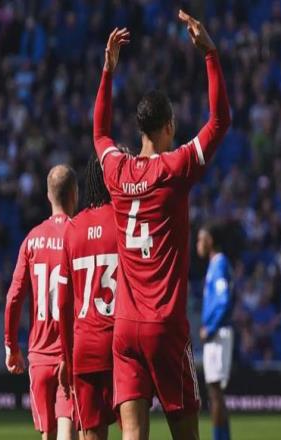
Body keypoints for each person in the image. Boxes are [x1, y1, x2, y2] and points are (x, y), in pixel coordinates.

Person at [92, 10, 230, 440]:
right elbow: (220, 121)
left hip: (125, 328)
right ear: (169, 126)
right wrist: (209, 53)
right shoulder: (175, 167)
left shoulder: (117, 171)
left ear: (140, 129)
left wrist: (107, 72)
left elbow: (99, 135)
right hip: (165, 326)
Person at [4, 165, 77, 440]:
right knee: (70, 429)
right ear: (75, 193)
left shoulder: (31, 239)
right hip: (69, 352)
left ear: (48, 195)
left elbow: (14, 297)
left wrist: (11, 346)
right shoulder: (78, 234)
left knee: (49, 433)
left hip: (39, 356)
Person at [58, 154, 118, 440]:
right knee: (133, 429)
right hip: (122, 345)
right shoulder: (124, 221)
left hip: (85, 347)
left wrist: (65, 357)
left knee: (91, 435)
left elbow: (63, 303)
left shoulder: (73, 228)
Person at [197, 223, 234, 440]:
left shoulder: (219, 264)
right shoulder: (215, 264)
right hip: (216, 333)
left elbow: (224, 300)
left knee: (215, 392)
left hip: (218, 333)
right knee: (215, 392)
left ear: (210, 240)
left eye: (200, 239)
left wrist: (211, 327)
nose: (198, 244)